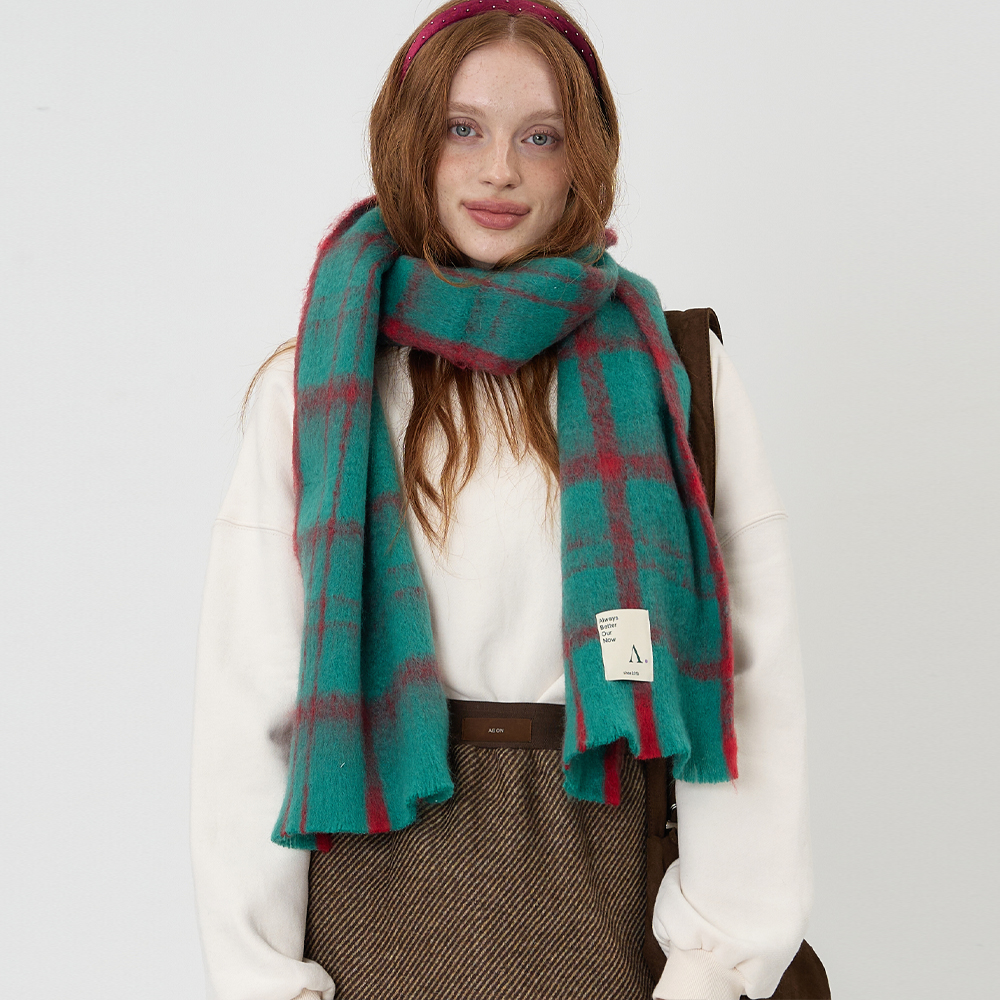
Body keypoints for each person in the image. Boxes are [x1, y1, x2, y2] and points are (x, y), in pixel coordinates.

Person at [190, 2, 817, 999]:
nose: (499, 172)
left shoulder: (673, 378)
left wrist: (717, 957)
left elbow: (749, 680)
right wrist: (260, 977)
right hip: (373, 892)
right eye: (462, 128)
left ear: (582, 159)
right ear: (411, 140)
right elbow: (252, 700)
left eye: (540, 137)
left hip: (603, 880)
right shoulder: (315, 389)